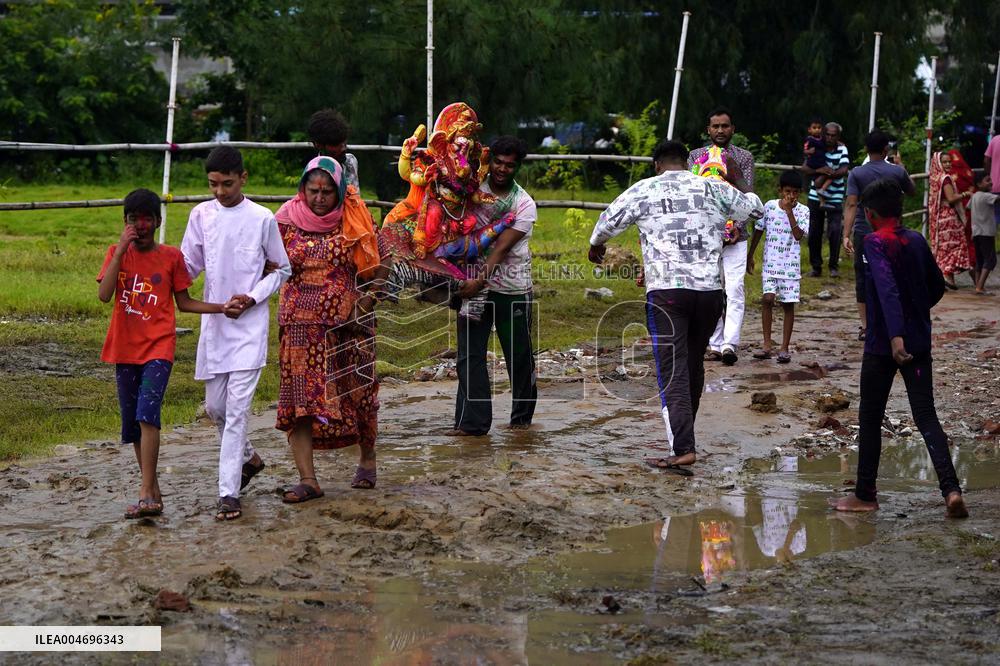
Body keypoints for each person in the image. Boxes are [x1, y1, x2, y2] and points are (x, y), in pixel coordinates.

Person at [590, 139, 763, 474]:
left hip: (667, 294)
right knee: (693, 364)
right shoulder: (713, 188)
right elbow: (755, 210)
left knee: (673, 370)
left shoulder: (644, 189)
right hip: (709, 293)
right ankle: (684, 438)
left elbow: (608, 221)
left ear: (656, 164)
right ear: (687, 162)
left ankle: (683, 448)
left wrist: (596, 245)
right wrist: (738, 179)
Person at [831, 178, 967, 519]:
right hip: (918, 341)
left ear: (870, 213)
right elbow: (937, 286)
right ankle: (951, 490)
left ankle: (865, 494)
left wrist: (896, 334)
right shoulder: (916, 240)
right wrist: (915, 314)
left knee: (870, 416)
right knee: (926, 415)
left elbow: (887, 287)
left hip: (883, 344)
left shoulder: (874, 242)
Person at [98, 189, 226, 519]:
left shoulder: (171, 257)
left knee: (147, 414)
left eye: (146, 219)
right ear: (124, 222)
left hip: (159, 349)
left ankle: (144, 493)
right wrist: (119, 251)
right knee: (133, 425)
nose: (140, 226)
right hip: (124, 351)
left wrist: (222, 307)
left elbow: (185, 302)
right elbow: (104, 295)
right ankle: (152, 493)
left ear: (157, 221)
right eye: (133, 219)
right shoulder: (116, 253)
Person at [181, 146, 292, 521]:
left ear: (243, 179)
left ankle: (228, 494)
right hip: (215, 325)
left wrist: (253, 296)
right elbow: (188, 266)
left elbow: (281, 269)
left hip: (249, 328)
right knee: (215, 408)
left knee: (236, 412)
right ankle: (250, 459)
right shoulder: (201, 215)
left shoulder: (262, 218)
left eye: (227, 183)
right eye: (213, 184)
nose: (220, 191)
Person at [274, 156, 387, 501]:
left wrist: (367, 301)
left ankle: (367, 458)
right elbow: (265, 264)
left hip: (349, 327)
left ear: (338, 191)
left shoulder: (355, 217)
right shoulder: (284, 221)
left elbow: (384, 260)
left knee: (360, 395)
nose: (319, 198)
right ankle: (308, 479)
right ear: (303, 189)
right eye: (313, 191)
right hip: (299, 330)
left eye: (327, 192)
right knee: (301, 402)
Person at [450, 136, 538, 436]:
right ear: (490, 161)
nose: (502, 169)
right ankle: (471, 424)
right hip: (472, 287)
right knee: (469, 356)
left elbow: (500, 248)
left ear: (518, 167)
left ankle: (521, 421)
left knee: (518, 356)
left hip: (511, 290)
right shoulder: (471, 193)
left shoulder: (524, 204)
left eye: (509, 165)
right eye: (498, 162)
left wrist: (478, 281)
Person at [688, 107, 755, 366]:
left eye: (725, 126)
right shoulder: (696, 156)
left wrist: (737, 224)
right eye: (715, 126)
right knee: (711, 288)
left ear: (732, 129)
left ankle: (730, 344)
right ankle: (714, 343)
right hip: (706, 234)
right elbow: (693, 193)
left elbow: (747, 194)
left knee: (735, 288)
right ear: (708, 129)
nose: (720, 130)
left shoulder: (743, 158)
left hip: (737, 236)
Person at [842, 130, 916, 340]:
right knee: (895, 274)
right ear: (886, 150)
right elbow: (912, 191)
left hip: (864, 232)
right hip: (893, 233)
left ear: (866, 149)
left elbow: (851, 204)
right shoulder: (897, 172)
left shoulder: (856, 173)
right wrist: (901, 166)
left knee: (863, 277)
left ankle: (866, 326)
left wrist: (846, 234)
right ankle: (894, 322)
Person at [747, 170, 809, 364]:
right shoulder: (770, 206)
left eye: (795, 192)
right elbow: (759, 230)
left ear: (800, 193)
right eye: (787, 191)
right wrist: (750, 255)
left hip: (790, 266)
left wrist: (790, 213)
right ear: (780, 190)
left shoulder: (803, 211)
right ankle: (767, 345)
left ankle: (784, 348)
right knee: (767, 299)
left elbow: (798, 235)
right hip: (770, 263)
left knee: (788, 305)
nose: (791, 196)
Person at [800, 122, 850, 278]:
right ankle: (816, 267)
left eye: (833, 135)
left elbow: (844, 170)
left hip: (835, 196)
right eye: (827, 134)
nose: (829, 138)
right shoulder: (816, 145)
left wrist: (827, 174)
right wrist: (820, 170)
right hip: (815, 195)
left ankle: (833, 266)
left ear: (838, 136)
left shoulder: (842, 149)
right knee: (814, 231)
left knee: (835, 231)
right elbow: (805, 168)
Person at [927, 152, 973, 289]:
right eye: (944, 162)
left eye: (949, 162)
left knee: (944, 247)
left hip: (939, 217)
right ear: (938, 163)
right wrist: (965, 194)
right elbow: (951, 198)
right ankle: (946, 276)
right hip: (948, 218)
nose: (948, 164)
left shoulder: (935, 177)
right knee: (953, 246)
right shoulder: (945, 179)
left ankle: (948, 279)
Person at [307, 108, 360, 191]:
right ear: (318, 145)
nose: (343, 148)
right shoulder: (312, 174)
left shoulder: (351, 162)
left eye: (344, 142)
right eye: (335, 144)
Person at [969, 174, 999, 294]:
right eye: (987, 180)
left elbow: (968, 207)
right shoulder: (987, 196)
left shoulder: (974, 196)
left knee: (980, 259)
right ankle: (980, 287)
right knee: (990, 259)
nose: (991, 182)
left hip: (976, 232)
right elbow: (997, 199)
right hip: (986, 232)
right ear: (979, 184)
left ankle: (977, 284)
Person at [802, 117, 831, 197]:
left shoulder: (822, 139)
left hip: (821, 161)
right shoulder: (809, 139)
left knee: (830, 173)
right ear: (809, 130)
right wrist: (809, 151)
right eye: (814, 128)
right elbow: (804, 150)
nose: (817, 130)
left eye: (819, 128)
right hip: (814, 162)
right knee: (829, 172)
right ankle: (821, 190)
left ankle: (821, 192)